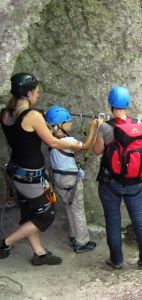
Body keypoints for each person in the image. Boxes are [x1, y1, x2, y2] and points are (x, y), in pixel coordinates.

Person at [0, 73, 81, 265]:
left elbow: (22, 133)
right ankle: (5, 243)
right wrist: (76, 146)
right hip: (31, 176)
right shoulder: (33, 116)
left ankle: (40, 254)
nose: (38, 95)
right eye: (36, 92)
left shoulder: (5, 113)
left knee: (30, 213)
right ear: (28, 93)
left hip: (16, 173)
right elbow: (52, 141)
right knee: (46, 214)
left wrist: (40, 115)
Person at [93, 86, 142, 270]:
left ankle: (117, 261)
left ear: (111, 104)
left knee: (113, 221)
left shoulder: (105, 127)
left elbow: (97, 152)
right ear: (128, 104)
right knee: (140, 220)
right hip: (136, 183)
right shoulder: (140, 125)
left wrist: (97, 128)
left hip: (111, 183)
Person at [45, 105, 101, 253]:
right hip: (70, 179)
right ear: (59, 125)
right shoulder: (68, 141)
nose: (71, 123)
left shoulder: (50, 138)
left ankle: (73, 235)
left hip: (58, 178)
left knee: (69, 207)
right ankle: (82, 242)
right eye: (67, 121)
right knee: (78, 210)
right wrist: (94, 128)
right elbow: (87, 145)